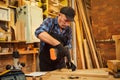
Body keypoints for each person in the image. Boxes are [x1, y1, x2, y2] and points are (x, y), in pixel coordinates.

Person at [35, 6, 76, 71]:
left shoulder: (68, 30)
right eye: (65, 20)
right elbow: (39, 33)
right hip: (46, 63)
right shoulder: (50, 22)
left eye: (69, 22)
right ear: (59, 15)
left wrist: (69, 61)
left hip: (60, 64)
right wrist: (58, 45)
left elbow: (67, 48)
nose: (67, 24)